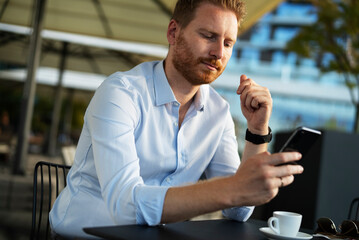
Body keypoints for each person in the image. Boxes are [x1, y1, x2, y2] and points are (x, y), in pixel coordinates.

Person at [50, 0, 304, 238]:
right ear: (173, 32)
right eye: (208, 36)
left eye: (228, 43)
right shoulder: (120, 93)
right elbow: (125, 207)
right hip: (83, 235)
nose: (218, 53)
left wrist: (257, 131)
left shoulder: (219, 112)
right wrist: (232, 188)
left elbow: (238, 211)